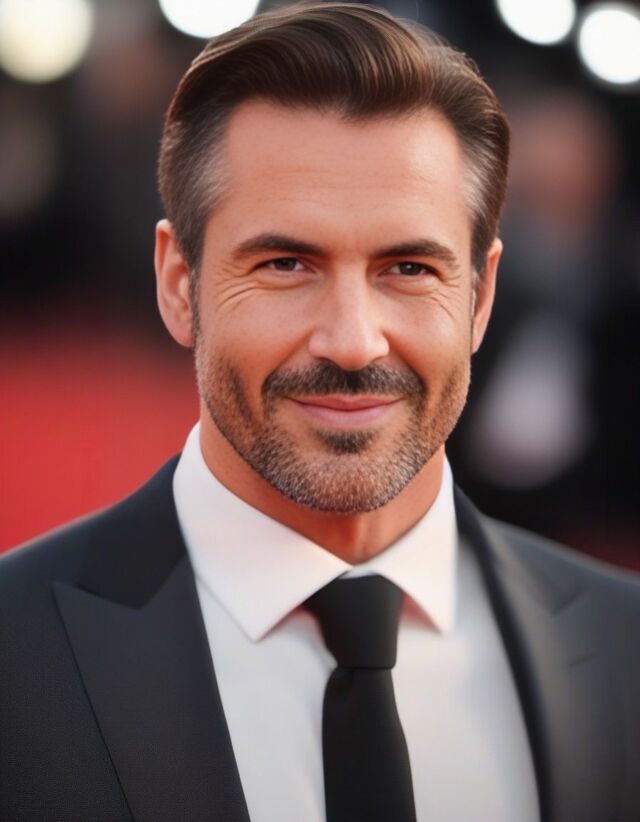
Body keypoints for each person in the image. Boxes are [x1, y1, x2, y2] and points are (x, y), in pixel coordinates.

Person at [1, 3, 638, 821]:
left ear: (479, 298)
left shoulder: (625, 646)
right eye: (287, 264)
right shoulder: (16, 654)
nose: (353, 342)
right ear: (179, 284)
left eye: (408, 268)